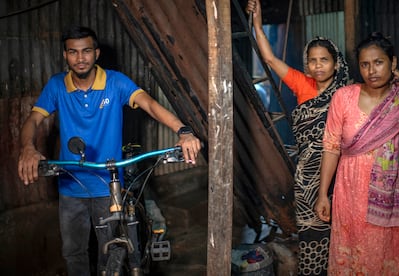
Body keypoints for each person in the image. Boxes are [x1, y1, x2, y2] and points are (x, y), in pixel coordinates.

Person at [17, 26, 202, 276]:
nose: (80, 58)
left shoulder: (115, 82)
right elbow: (33, 120)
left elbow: (150, 104)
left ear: (96, 53)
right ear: (65, 55)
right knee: (74, 254)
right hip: (71, 185)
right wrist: (28, 147)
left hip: (109, 185)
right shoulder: (57, 86)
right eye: (73, 52)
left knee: (113, 253)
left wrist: (183, 131)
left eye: (86, 51)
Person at [246, 1, 350, 275]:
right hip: (307, 178)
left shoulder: (348, 92)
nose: (318, 66)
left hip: (341, 175)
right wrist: (257, 23)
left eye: (324, 60)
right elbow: (269, 58)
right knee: (311, 234)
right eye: (312, 60)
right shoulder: (301, 83)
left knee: (343, 233)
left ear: (336, 62)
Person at [315, 32, 399, 274]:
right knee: (352, 257)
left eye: (379, 62)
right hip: (349, 193)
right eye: (365, 64)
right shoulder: (344, 97)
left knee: (383, 254)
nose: (372, 71)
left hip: (390, 200)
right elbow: (331, 147)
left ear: (393, 63)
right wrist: (322, 194)